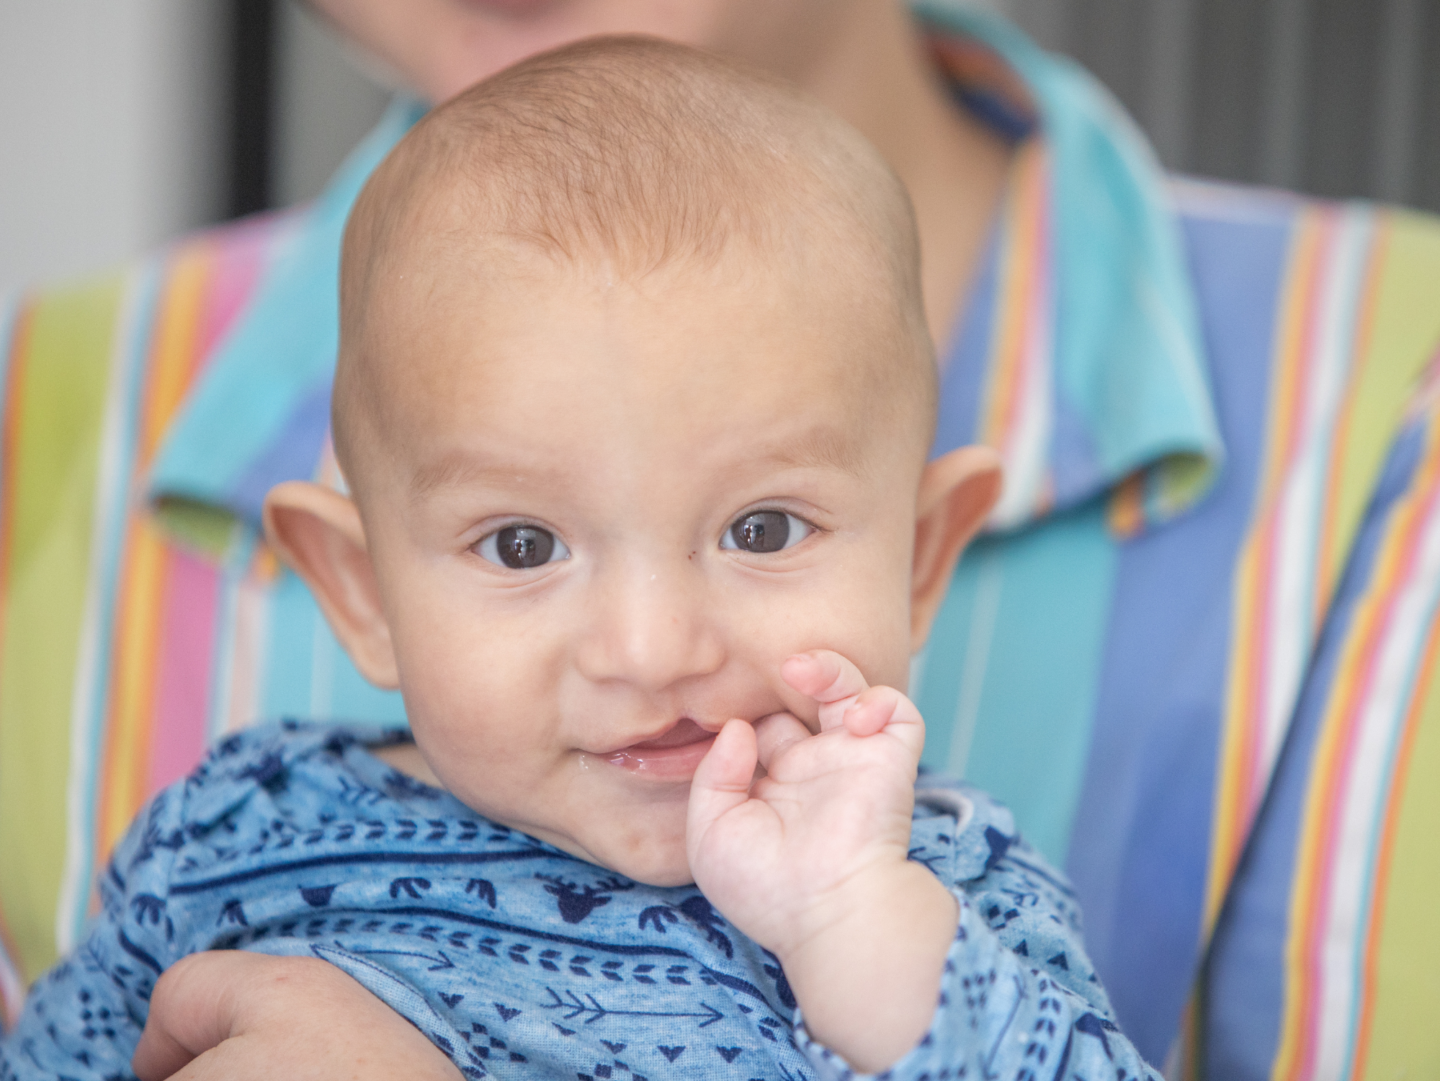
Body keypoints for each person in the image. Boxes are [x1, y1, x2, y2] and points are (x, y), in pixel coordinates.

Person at [1, 1, 1438, 1077]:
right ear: (357, 591)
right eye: (518, 547)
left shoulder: (929, 892)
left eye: (760, 527)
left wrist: (858, 938)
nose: (653, 652)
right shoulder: (232, 844)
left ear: (924, 557)